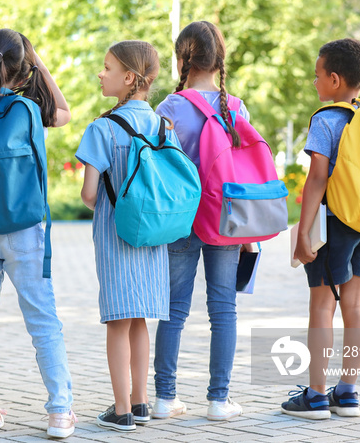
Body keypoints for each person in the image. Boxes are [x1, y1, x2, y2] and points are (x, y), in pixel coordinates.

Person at [0, 28, 77, 439]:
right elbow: (65, 112)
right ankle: (60, 413)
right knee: (44, 324)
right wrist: (38, 61)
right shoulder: (29, 110)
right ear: (24, 72)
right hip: (26, 232)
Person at [76, 40, 177, 432]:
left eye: (107, 67)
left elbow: (88, 194)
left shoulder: (103, 128)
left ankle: (120, 410)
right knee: (140, 321)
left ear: (129, 78)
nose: (101, 73)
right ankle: (141, 402)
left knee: (118, 321)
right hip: (155, 236)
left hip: (117, 237)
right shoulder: (163, 125)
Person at [153, 21, 248, 421]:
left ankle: (164, 397)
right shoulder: (236, 107)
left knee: (174, 310)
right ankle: (218, 400)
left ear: (181, 59)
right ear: (220, 59)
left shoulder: (168, 108)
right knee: (223, 309)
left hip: (180, 221)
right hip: (224, 221)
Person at [282, 38, 360, 420]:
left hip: (332, 226)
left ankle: (317, 396)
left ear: (334, 79)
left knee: (322, 306)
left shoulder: (325, 120)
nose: (314, 82)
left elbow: (317, 177)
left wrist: (303, 233)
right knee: (355, 305)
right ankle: (347, 392)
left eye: (317, 75)